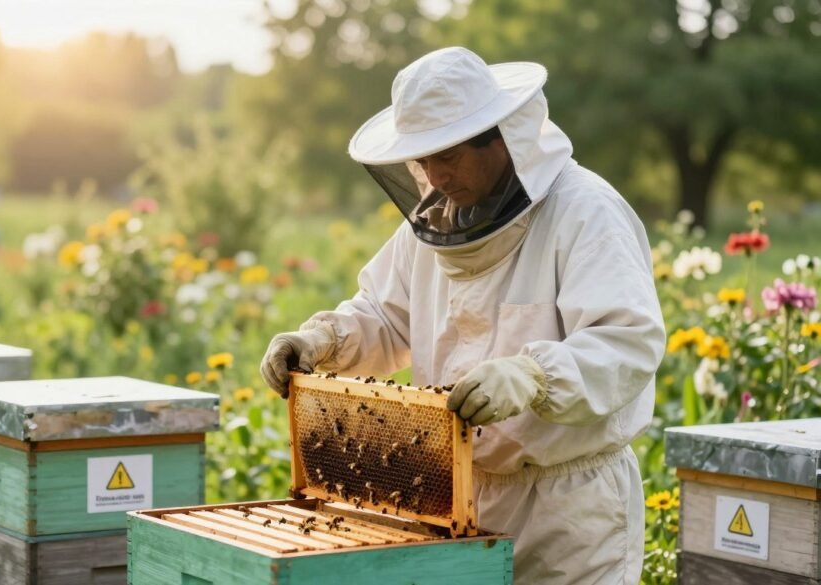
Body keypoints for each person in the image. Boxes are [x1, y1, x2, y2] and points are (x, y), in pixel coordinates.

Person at [260, 46, 664, 584]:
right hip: (456, 496)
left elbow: (628, 342)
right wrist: (322, 340)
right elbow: (384, 315)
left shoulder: (584, 211)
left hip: (567, 510)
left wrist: (534, 375)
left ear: (500, 138)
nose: (433, 175)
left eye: (446, 156)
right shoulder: (432, 227)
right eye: (422, 160)